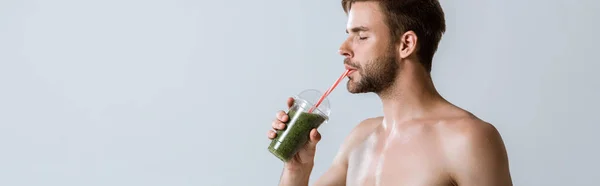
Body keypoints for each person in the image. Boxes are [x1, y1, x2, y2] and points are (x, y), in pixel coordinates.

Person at [266, 0, 513, 185]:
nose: (343, 49)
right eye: (348, 35)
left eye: (361, 36)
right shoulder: (360, 138)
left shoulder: (467, 139)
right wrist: (296, 170)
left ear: (406, 44)